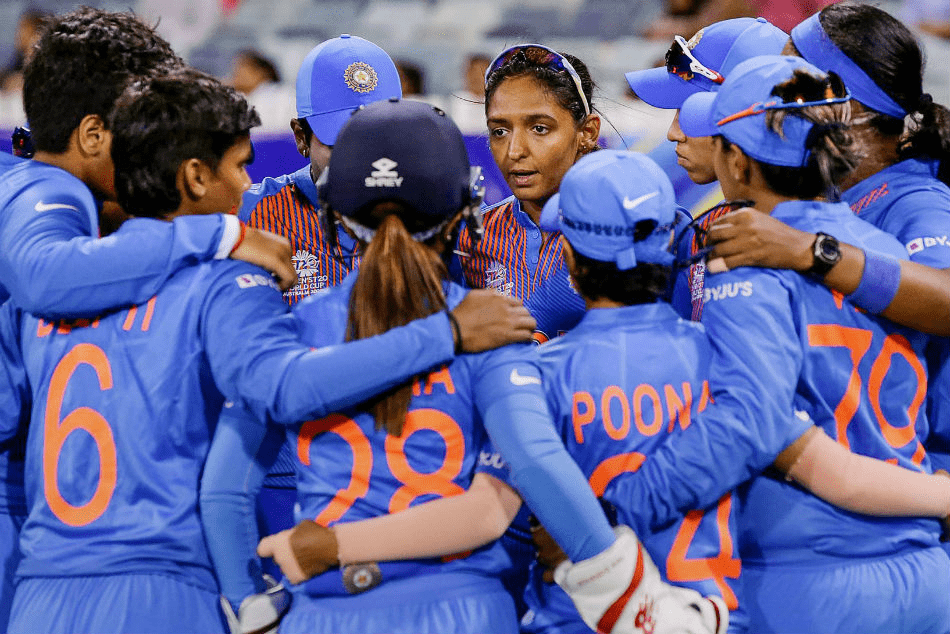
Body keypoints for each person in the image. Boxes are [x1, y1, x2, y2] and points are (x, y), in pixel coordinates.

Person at [0, 70, 531, 634]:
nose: (249, 184)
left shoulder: (49, 295)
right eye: (241, 165)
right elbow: (288, 390)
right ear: (197, 177)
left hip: (42, 589)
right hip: (167, 587)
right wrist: (444, 333)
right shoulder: (226, 286)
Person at [247, 99, 726, 634]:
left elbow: (246, 451)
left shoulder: (284, 328)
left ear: (334, 212)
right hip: (473, 610)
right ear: (467, 211)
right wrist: (632, 596)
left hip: (326, 613)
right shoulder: (496, 329)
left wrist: (254, 601)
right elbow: (513, 488)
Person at [607, 54, 950, 633]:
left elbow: (746, 423)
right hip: (925, 573)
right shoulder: (883, 252)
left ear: (736, 162)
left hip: (810, 583)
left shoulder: (747, 253)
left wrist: (616, 512)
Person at [705, 4, 950, 470]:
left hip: (923, 475)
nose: (779, 84)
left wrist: (813, 252)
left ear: (848, 110)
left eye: (794, 77)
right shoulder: (837, 197)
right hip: (858, 467)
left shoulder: (916, 200)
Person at [0, 6, 296, 319]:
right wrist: (222, 236)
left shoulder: (44, 185)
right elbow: (44, 279)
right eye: (143, 122)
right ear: (92, 136)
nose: (158, 139)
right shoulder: (46, 190)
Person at [624, 16, 788, 321]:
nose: (674, 132)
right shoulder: (695, 235)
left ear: (742, 113)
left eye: (690, 110)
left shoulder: (820, 238)